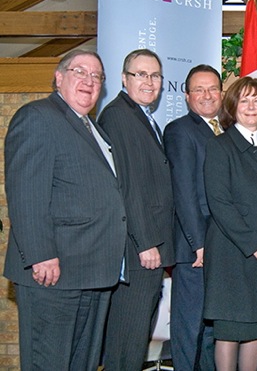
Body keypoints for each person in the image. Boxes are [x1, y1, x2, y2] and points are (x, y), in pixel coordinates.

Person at [4, 50, 127, 370]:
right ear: (59, 78)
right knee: (50, 362)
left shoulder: (93, 128)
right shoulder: (38, 117)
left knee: (82, 363)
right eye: (80, 72)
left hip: (93, 270)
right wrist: (40, 254)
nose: (89, 81)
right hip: (55, 271)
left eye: (97, 77)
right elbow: (26, 191)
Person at [203, 77, 257, 371]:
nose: (251, 106)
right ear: (233, 106)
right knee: (230, 332)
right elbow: (220, 204)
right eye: (244, 100)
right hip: (233, 255)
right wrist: (255, 245)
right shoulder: (219, 147)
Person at [97, 49, 174, 370]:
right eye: (141, 74)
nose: (149, 82)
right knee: (126, 340)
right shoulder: (118, 116)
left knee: (135, 337)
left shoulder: (140, 116)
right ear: (124, 79)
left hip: (147, 246)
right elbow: (127, 185)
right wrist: (146, 243)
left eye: (155, 75)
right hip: (138, 249)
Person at [163, 64, 223, 370]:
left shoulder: (227, 129)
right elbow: (183, 191)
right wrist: (199, 243)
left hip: (222, 248)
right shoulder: (180, 131)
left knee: (212, 329)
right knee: (190, 329)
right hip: (195, 250)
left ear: (222, 93)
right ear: (187, 96)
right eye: (198, 89)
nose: (206, 95)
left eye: (212, 88)